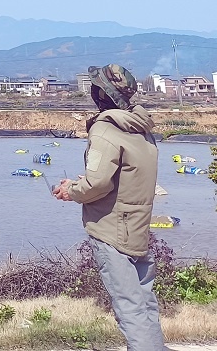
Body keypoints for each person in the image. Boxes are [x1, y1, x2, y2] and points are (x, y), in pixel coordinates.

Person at [52, 64, 166, 351]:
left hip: (112, 230)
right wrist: (87, 182)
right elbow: (125, 177)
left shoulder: (105, 129)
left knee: (129, 306)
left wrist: (72, 191)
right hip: (137, 226)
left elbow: (97, 185)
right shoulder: (140, 128)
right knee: (144, 301)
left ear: (101, 93)